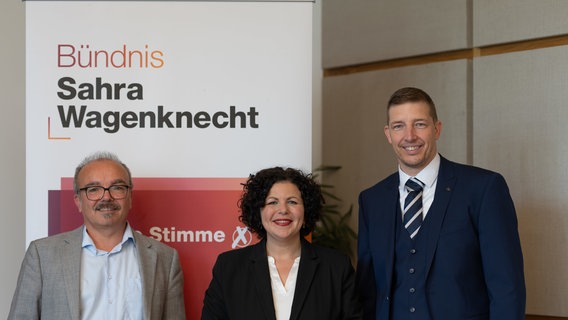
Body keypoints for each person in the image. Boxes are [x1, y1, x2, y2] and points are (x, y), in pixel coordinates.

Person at [356, 87, 526, 320]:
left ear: (437, 129)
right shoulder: (371, 200)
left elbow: (507, 289)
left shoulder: (484, 189)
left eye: (420, 124)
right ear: (388, 134)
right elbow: (368, 292)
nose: (409, 136)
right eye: (398, 126)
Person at [8, 151, 186, 320]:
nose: (106, 197)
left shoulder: (165, 258)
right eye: (93, 189)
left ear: (130, 197)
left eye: (117, 187)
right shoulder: (42, 255)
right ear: (78, 201)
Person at [202, 167, 362, 320]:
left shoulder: (336, 266)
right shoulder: (229, 267)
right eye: (272, 202)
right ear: (258, 211)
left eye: (292, 202)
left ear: (306, 210)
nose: (283, 209)